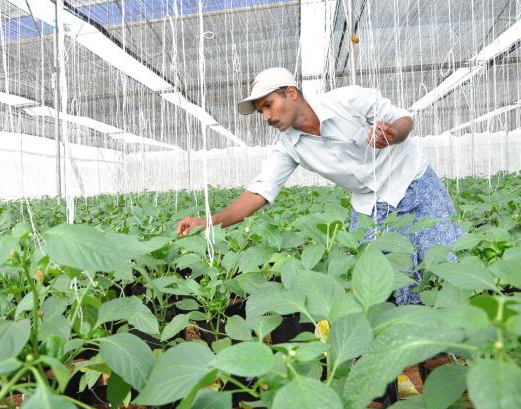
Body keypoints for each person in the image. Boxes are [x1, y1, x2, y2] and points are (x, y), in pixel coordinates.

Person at [176, 67, 463, 305]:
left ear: (291, 93)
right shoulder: (288, 146)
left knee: (442, 261)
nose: (266, 117)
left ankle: (453, 339)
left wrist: (394, 134)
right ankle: (398, 350)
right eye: (261, 111)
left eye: (268, 105)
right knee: (372, 279)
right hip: (369, 203)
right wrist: (209, 223)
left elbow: (403, 119)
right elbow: (259, 192)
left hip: (412, 181)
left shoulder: (348, 100)